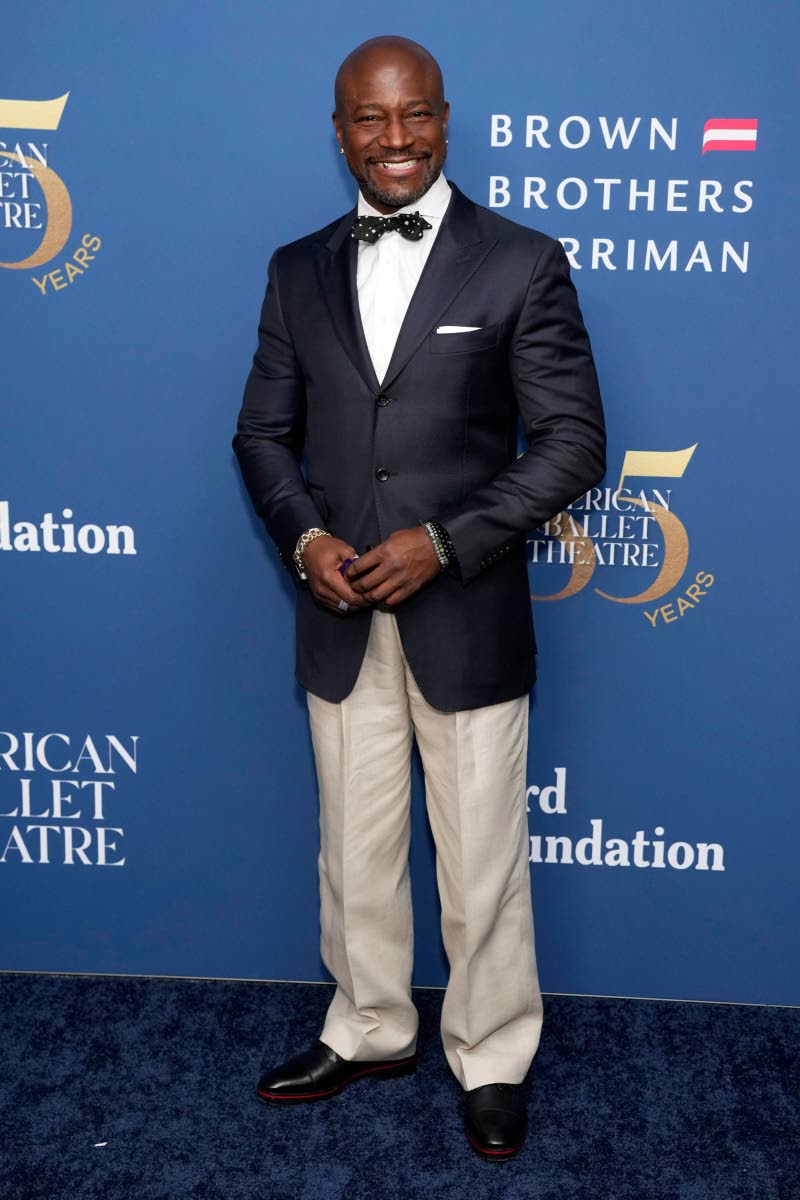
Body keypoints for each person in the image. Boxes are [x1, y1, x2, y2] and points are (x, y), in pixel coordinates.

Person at [232, 34, 606, 1162]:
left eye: (413, 115)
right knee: (352, 846)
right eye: (369, 118)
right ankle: (369, 1027)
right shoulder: (295, 268)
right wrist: (305, 541)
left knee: (481, 854)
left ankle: (490, 1055)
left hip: (466, 610)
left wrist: (444, 543)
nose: (394, 139)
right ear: (339, 130)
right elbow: (261, 435)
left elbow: (573, 443)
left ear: (444, 120)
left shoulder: (521, 261)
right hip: (338, 610)